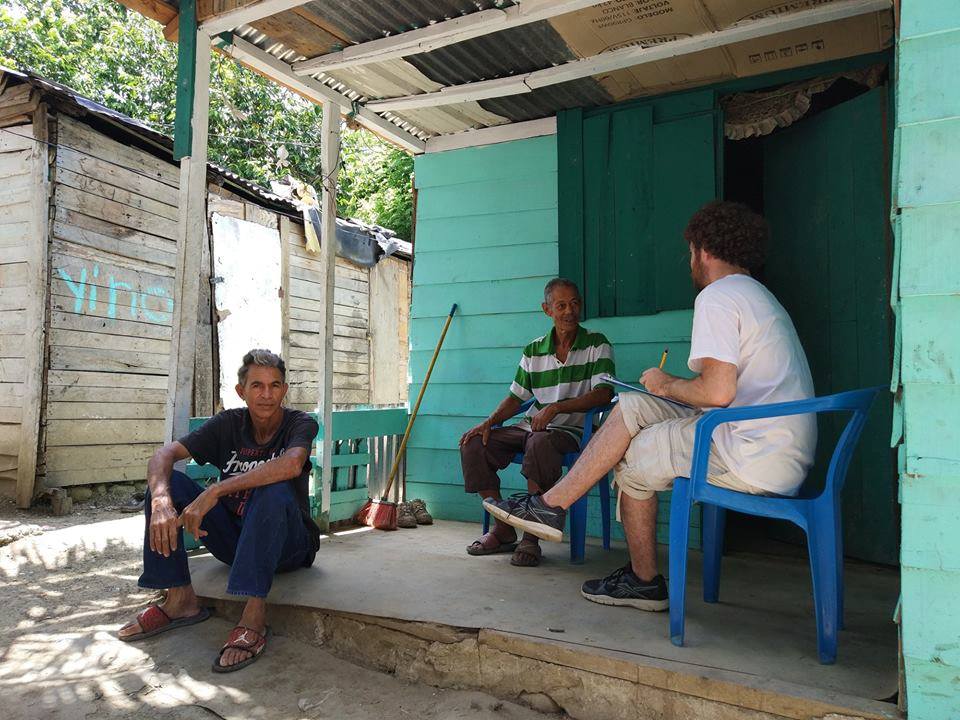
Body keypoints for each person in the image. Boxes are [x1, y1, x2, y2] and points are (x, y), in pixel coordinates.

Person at [484, 201, 816, 608]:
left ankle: (642, 579)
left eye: (690, 251)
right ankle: (549, 507)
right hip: (771, 441)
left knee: (634, 455)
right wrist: (658, 391)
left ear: (703, 250)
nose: (689, 260)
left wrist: (666, 381)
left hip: (751, 452)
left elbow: (716, 392)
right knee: (634, 405)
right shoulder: (757, 295)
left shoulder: (718, 296)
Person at [118, 349, 321, 672]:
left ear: (284, 390)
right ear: (241, 391)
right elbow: (164, 455)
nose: (266, 395)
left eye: (274, 385)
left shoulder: (299, 423)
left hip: (289, 546)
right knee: (171, 485)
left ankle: (253, 616)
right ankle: (180, 599)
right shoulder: (228, 424)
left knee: (272, 489)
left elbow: (292, 464)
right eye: (257, 386)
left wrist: (217, 489)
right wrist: (160, 501)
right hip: (236, 543)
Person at [460, 278, 615, 567]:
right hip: (531, 426)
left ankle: (531, 538)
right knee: (474, 444)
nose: (569, 311)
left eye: (575, 303)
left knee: (539, 442)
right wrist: (489, 422)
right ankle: (504, 529)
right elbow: (516, 397)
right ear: (547, 310)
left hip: (573, 432)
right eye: (561, 305)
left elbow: (603, 393)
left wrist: (557, 408)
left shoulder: (597, 344)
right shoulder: (534, 351)